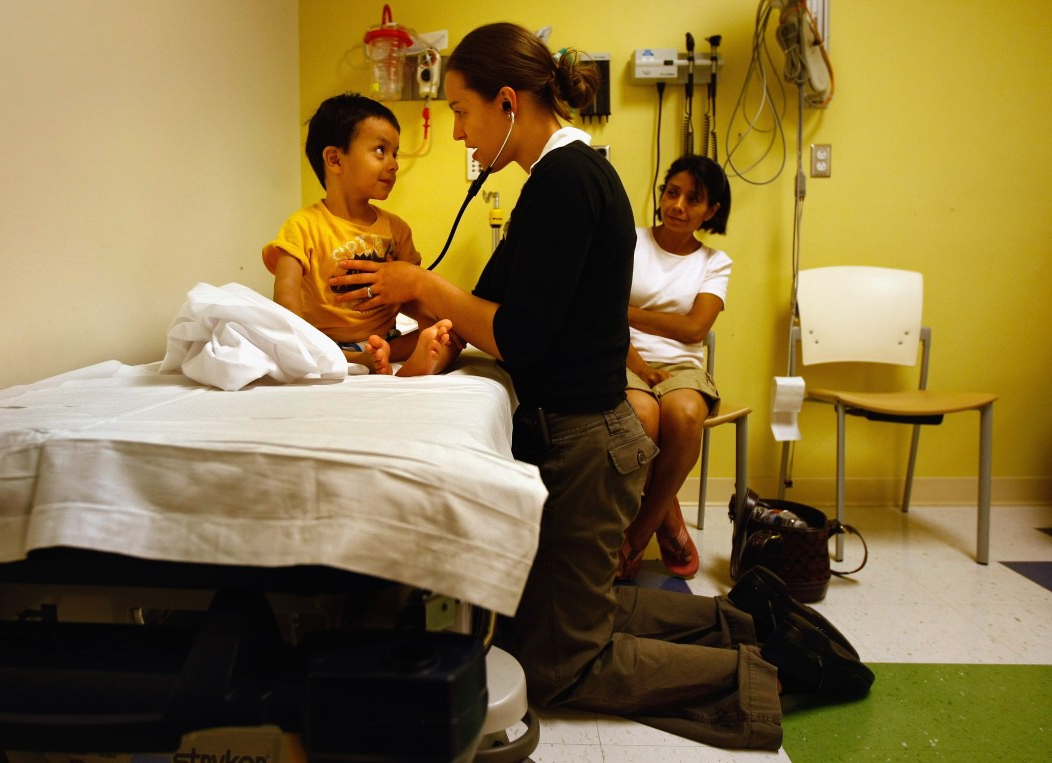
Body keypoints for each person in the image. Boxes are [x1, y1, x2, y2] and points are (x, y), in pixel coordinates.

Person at [326, 23, 869, 750]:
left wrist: (422, 285)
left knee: (557, 661)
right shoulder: (555, 181)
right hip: (580, 437)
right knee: (559, 616)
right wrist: (403, 323)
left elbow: (519, 334)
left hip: (587, 444)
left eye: (461, 110)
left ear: (508, 103)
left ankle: (759, 676)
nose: (456, 132)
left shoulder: (568, 181)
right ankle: (745, 620)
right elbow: (487, 310)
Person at [262, 92, 459, 376]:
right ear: (335, 160)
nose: (393, 163)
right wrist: (303, 343)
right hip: (328, 344)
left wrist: (435, 324)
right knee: (294, 344)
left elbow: (413, 296)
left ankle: (411, 367)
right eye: (381, 150)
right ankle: (358, 360)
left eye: (395, 153)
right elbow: (286, 301)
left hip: (388, 341)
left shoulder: (396, 229)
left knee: (452, 337)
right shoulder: (302, 226)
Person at [619, 154, 733, 581]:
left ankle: (638, 531)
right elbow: (603, 315)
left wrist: (626, 311)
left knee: (684, 414)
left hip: (683, 366)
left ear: (712, 211)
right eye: (672, 192)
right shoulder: (628, 241)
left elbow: (694, 328)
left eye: (693, 199)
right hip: (625, 357)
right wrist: (639, 361)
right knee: (642, 415)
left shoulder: (714, 262)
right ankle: (668, 520)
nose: (678, 205)